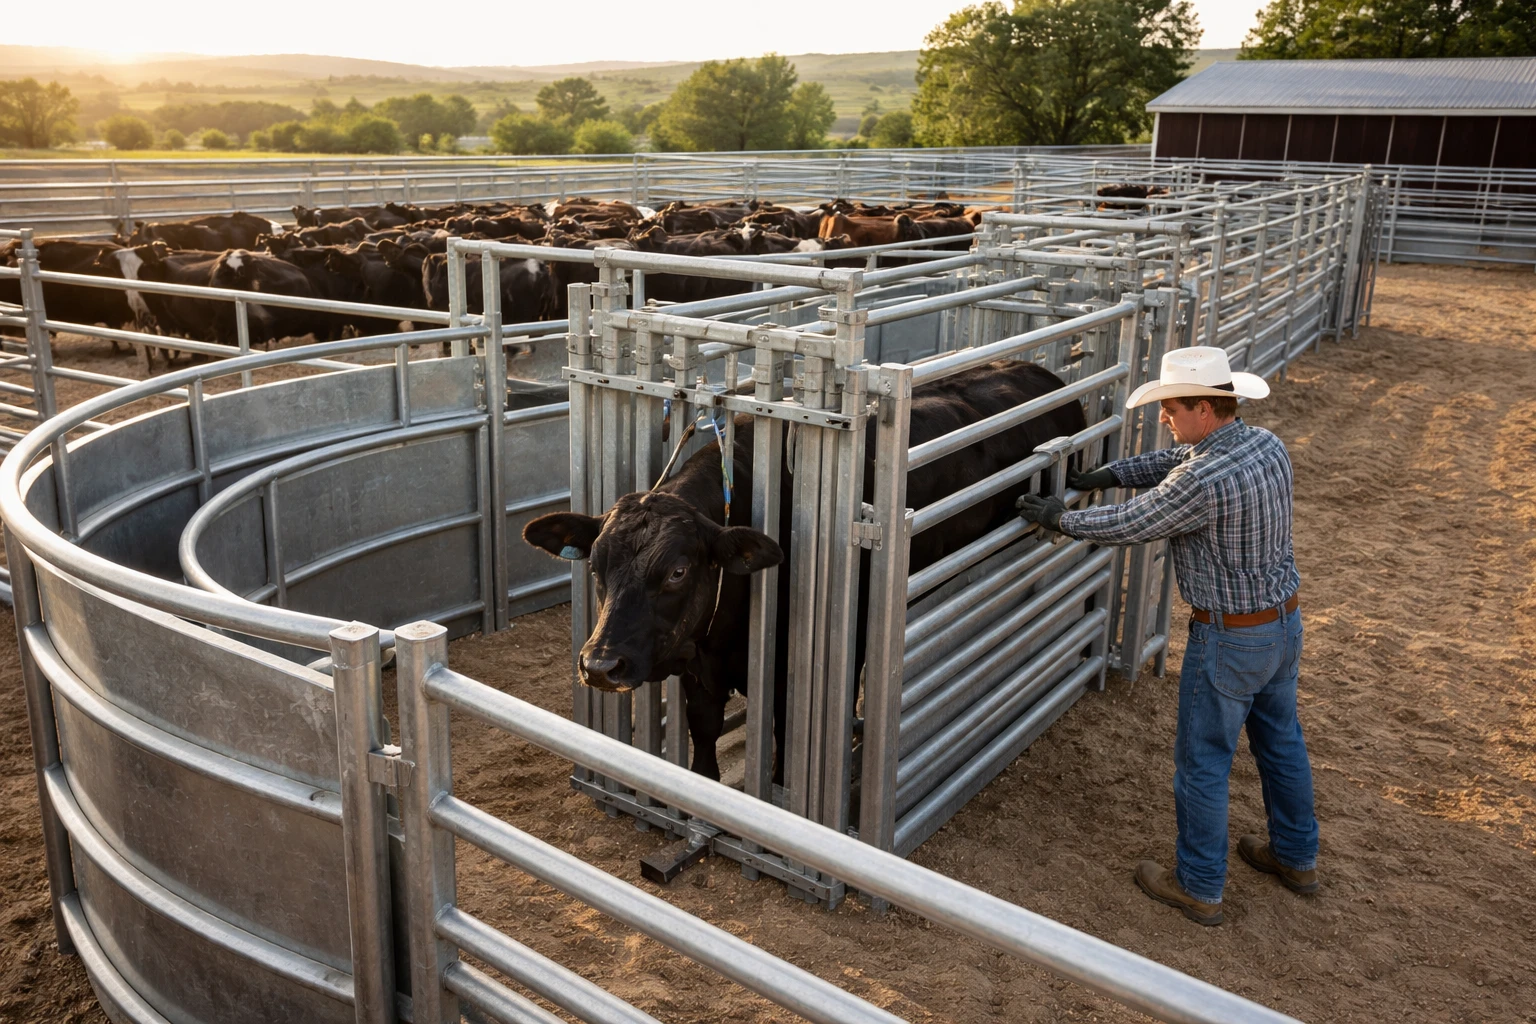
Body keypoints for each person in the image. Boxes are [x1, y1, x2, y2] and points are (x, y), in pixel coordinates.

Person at [1018, 346, 1318, 927]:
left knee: (1203, 761)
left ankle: (1200, 884)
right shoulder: (1265, 445)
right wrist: (1112, 473)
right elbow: (1175, 464)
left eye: (1172, 407)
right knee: (1281, 742)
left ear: (1205, 409)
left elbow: (1136, 521)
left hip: (1229, 638)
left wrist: (1062, 518)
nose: (1165, 418)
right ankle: (1297, 857)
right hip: (1282, 623)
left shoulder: (1200, 479)